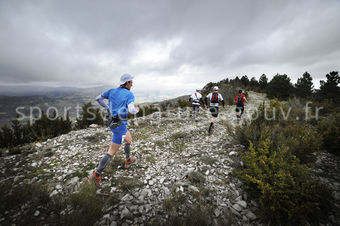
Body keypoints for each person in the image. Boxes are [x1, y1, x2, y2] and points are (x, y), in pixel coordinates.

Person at [88, 73, 140, 185]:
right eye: (131, 82)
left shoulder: (111, 91)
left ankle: (127, 160)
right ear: (127, 83)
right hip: (120, 126)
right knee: (111, 152)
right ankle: (96, 174)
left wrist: (107, 107)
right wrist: (137, 110)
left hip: (113, 122)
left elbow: (98, 98)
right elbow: (131, 110)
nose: (132, 84)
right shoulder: (129, 94)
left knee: (129, 140)